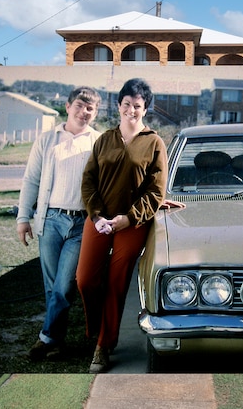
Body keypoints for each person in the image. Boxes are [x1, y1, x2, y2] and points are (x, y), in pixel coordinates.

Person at [77, 78, 168, 373]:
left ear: (146, 109)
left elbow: (156, 192)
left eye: (137, 106)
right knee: (85, 280)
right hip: (100, 219)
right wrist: (97, 215)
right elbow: (89, 180)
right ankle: (96, 329)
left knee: (116, 283)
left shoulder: (154, 142)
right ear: (118, 106)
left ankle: (103, 346)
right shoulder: (104, 139)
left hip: (133, 222)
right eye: (126, 104)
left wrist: (129, 218)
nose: (131, 110)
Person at [16, 86, 102, 361]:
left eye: (90, 108)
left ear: (95, 113)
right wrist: (23, 218)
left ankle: (45, 339)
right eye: (79, 105)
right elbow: (31, 179)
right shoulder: (48, 139)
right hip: (50, 220)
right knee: (52, 287)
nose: (84, 112)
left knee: (65, 286)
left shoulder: (98, 142)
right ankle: (58, 342)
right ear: (67, 106)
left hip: (81, 224)